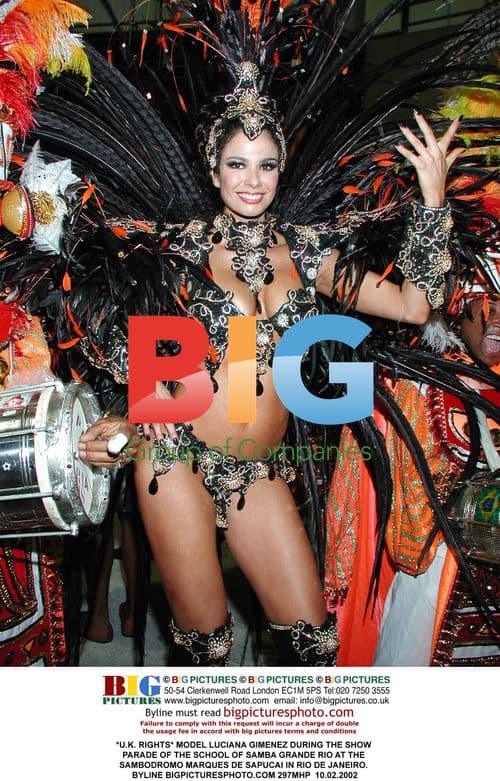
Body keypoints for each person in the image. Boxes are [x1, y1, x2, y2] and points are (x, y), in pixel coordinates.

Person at [77, 58, 461, 665]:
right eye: (237, 164)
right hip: (175, 460)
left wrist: (432, 201)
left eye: (266, 164)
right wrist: (126, 414)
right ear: (213, 171)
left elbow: (414, 307)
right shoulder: (178, 250)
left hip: (258, 467)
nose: (252, 181)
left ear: (282, 168)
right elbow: (136, 348)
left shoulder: (307, 252)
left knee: (314, 640)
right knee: (207, 647)